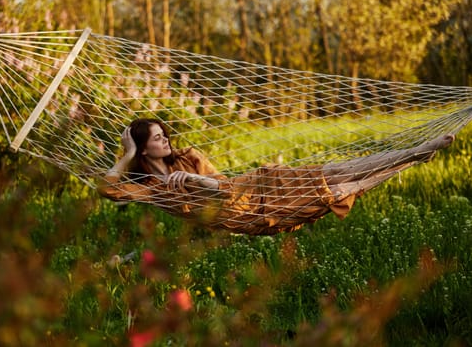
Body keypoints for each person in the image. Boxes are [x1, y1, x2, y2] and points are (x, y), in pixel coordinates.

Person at [97, 118, 455, 235]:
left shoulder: (188, 158)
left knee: (340, 169)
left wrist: (193, 179)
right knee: (342, 188)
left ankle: (416, 150)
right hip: (253, 215)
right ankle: (410, 160)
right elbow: (107, 190)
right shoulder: (153, 190)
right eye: (158, 139)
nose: (167, 141)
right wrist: (126, 155)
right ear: (144, 150)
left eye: (165, 135)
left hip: (256, 186)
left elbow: (223, 187)